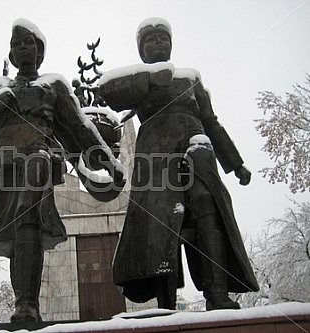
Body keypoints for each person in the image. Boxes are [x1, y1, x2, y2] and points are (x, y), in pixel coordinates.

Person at [100, 18, 259, 310]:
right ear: (141, 50)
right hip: (156, 155)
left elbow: (212, 122)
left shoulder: (189, 78)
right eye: (152, 38)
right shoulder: (141, 78)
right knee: (161, 223)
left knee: (206, 208)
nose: (160, 42)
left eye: (164, 37)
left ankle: (217, 293)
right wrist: (149, 78)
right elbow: (107, 91)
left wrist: (235, 164)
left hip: (197, 145)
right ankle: (166, 303)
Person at [0, 18, 124, 322]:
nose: (23, 48)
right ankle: (24, 305)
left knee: (29, 215)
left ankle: (27, 303)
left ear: (39, 52)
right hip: (4, 166)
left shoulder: (54, 85)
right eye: (17, 44)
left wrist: (109, 162)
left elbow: (80, 127)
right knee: (19, 232)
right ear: (12, 53)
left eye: (29, 43)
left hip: (39, 159)